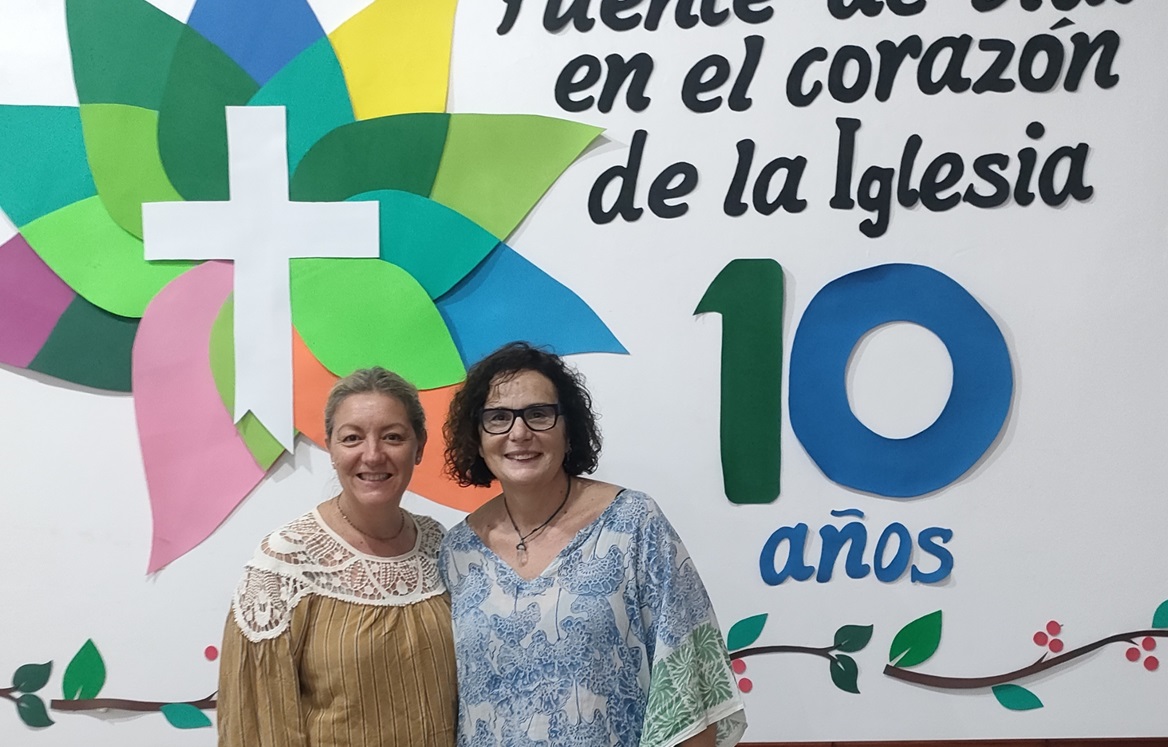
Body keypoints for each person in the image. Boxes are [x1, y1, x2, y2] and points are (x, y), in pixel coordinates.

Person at [440, 342, 746, 747]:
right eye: (498, 417)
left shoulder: (634, 524)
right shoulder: (456, 552)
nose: (519, 433)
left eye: (539, 414)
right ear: (477, 438)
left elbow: (691, 693)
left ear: (569, 430)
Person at [217, 368, 456, 747]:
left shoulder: (438, 545)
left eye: (393, 437)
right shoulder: (284, 565)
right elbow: (256, 726)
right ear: (330, 447)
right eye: (352, 438)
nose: (373, 455)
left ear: (420, 446)